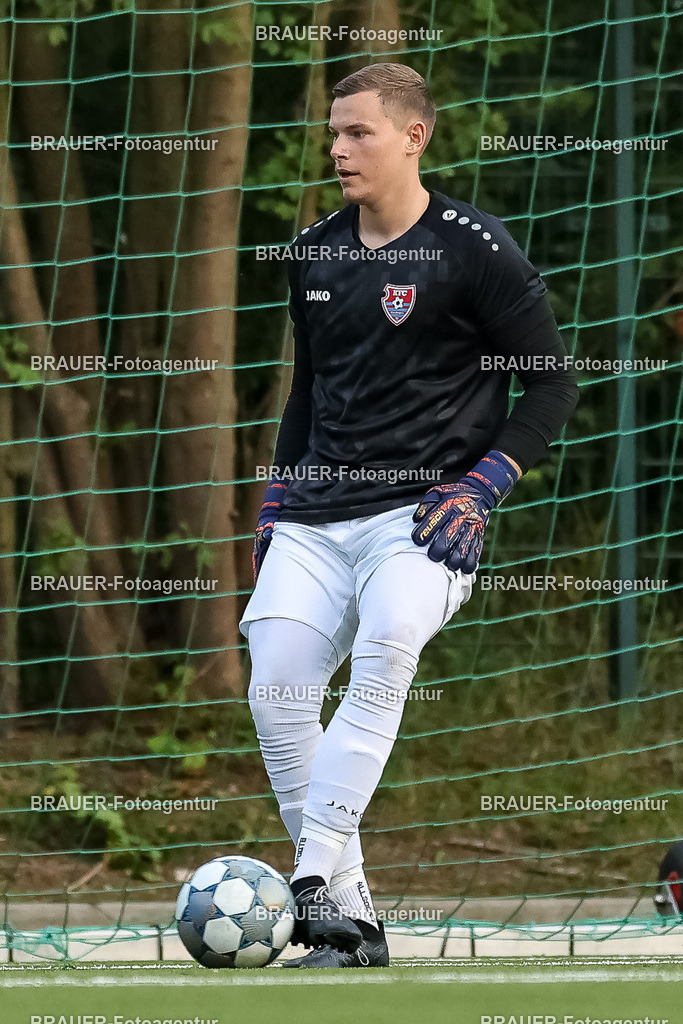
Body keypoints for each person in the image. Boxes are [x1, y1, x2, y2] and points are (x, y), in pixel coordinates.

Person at [241, 62, 579, 968]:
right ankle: (352, 925)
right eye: (333, 132)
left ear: (412, 137)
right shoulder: (314, 252)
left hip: (425, 515)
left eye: (357, 132)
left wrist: (484, 482)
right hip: (316, 514)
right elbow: (309, 391)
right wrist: (279, 496)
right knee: (274, 695)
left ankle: (310, 880)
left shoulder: (475, 248)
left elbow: (551, 384)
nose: (337, 147)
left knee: (390, 640)